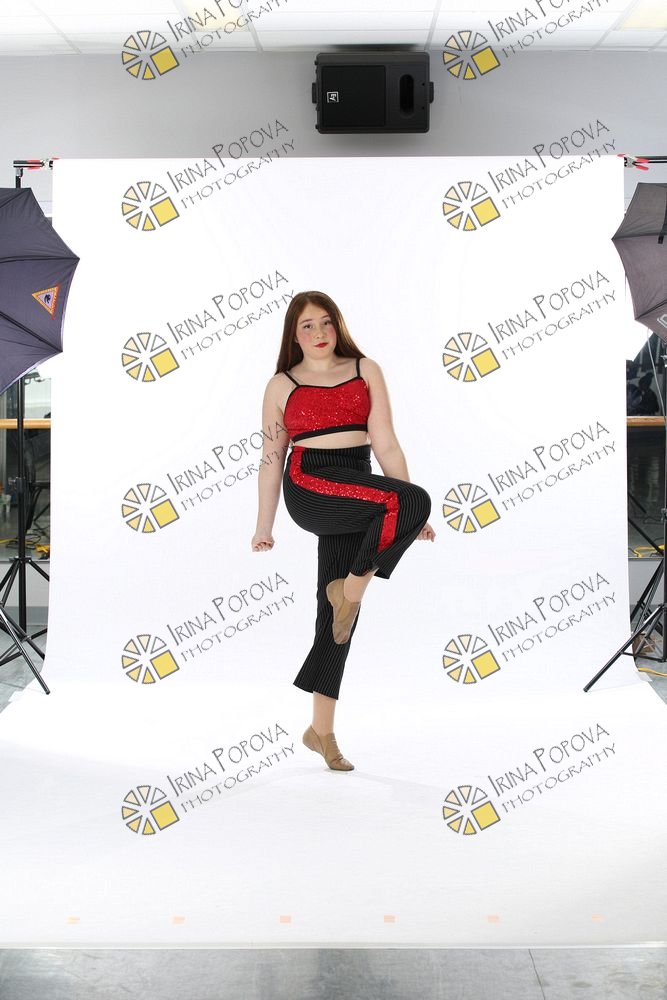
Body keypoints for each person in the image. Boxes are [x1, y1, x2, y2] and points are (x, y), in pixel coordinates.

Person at [251, 291, 435, 772]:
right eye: (307, 325)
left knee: (335, 621)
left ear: (339, 326)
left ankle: (321, 731)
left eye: (326, 322)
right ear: (294, 335)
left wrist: (409, 513)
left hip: (357, 484)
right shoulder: (280, 384)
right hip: (309, 482)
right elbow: (271, 459)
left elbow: (386, 443)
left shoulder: (364, 369)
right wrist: (264, 526)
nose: (319, 333)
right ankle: (349, 590)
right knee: (410, 503)